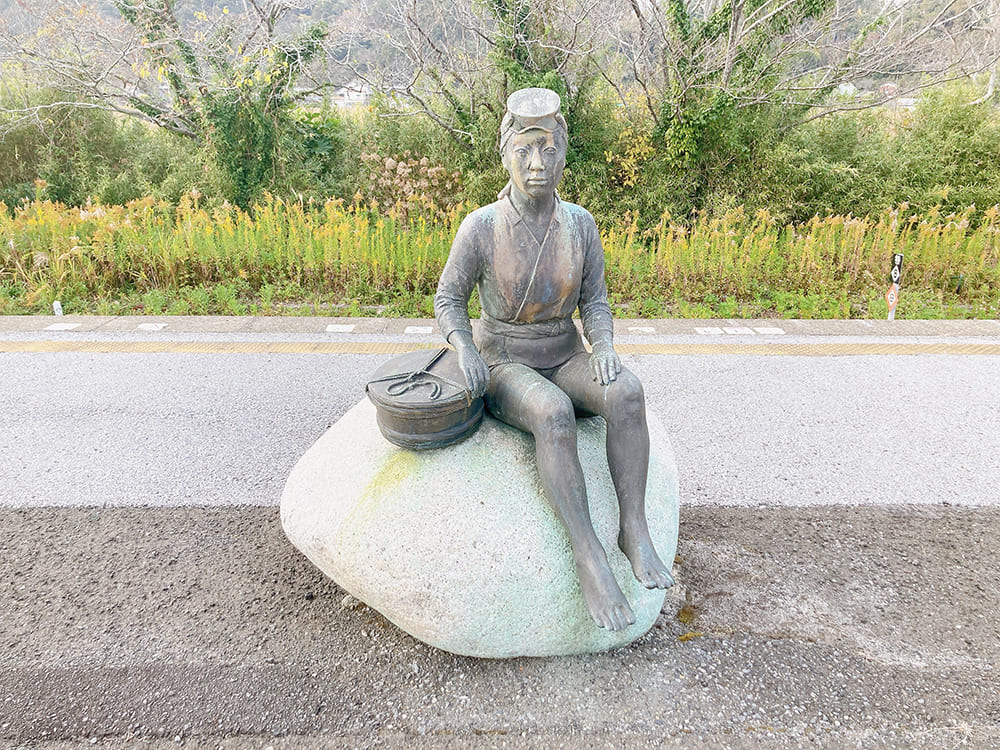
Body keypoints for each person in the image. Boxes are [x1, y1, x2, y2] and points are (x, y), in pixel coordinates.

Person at [434, 88, 673, 632]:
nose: (537, 164)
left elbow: (594, 301)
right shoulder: (482, 226)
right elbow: (448, 299)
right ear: (505, 155)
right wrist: (464, 347)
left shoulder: (580, 224)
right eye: (525, 150)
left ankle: (632, 527)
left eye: (548, 150)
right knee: (552, 413)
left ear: (565, 154)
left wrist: (605, 346)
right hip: (505, 359)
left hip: (565, 352)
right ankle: (588, 553)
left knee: (628, 392)